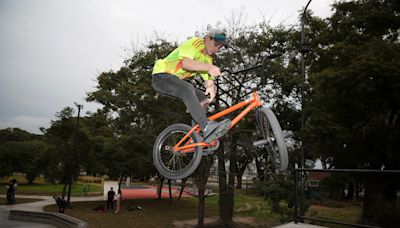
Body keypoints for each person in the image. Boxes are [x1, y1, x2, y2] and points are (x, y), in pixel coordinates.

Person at [152, 29, 231, 143]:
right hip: (161, 77)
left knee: (203, 97)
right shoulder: (194, 43)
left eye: (219, 47)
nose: (216, 49)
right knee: (187, 88)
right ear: (208, 39)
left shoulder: (207, 59)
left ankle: (197, 137)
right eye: (216, 45)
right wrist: (209, 68)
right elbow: (186, 63)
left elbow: (209, 82)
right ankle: (206, 127)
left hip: (173, 82)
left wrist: (211, 89)